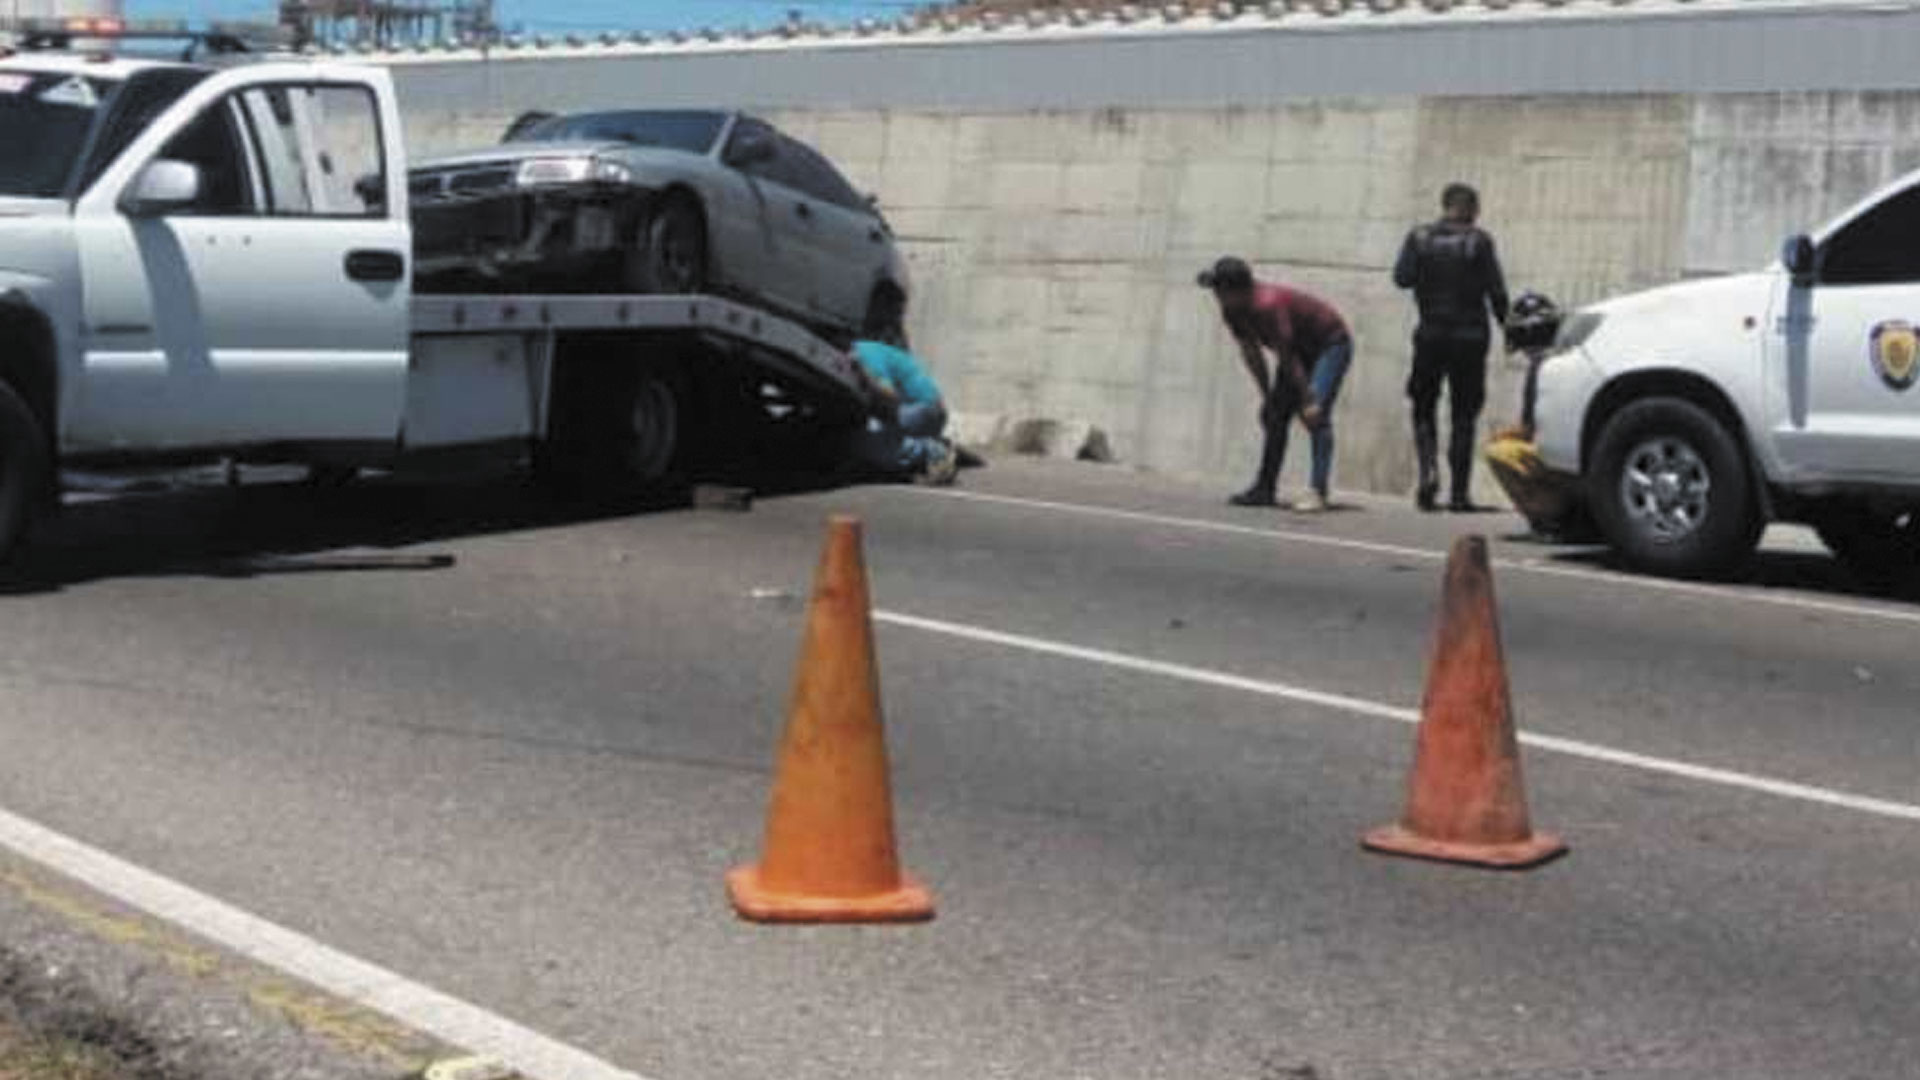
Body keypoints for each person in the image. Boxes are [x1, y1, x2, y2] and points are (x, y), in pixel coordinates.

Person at [1198, 256, 1354, 512]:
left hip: (1330, 344)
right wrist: (1267, 397)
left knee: (1315, 413)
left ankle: (1318, 491)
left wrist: (1308, 399)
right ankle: (1264, 488)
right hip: (1297, 352)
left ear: (1239, 290)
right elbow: (1252, 353)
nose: (1216, 295)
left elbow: (1288, 357)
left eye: (1221, 290)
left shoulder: (1267, 305)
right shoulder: (1231, 309)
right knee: (1275, 416)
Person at [1394, 182, 1510, 512]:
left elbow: (1401, 278)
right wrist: (1509, 332)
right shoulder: (1480, 241)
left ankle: (1428, 473)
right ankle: (1459, 494)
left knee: (1423, 404)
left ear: (1444, 205)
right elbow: (1497, 293)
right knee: (1464, 414)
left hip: (1431, 333)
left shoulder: (1419, 238)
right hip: (1471, 337)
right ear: (1472, 208)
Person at [849, 332, 959, 485]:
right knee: (872, 433)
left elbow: (891, 395)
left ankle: (936, 451)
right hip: (927, 409)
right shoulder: (872, 349)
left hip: (924, 408)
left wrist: (865, 374)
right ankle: (921, 449)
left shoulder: (866, 354)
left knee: (872, 443)